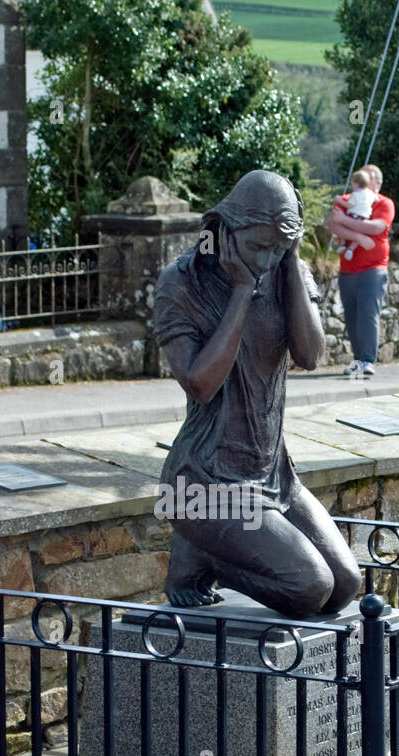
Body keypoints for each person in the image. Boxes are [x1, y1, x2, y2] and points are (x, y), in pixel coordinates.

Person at [153, 170, 362, 620]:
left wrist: (288, 264)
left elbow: (309, 355)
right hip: (203, 486)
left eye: (278, 247)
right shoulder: (182, 283)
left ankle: (211, 553)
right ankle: (206, 555)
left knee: (346, 585)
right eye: (257, 246)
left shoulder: (285, 270)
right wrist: (242, 291)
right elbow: (200, 383)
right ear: (223, 231)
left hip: (273, 478)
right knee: (309, 587)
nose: (266, 259)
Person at [327, 163, 395, 377]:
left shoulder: (385, 203)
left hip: (373, 269)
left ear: (378, 183)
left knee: (368, 313)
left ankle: (367, 360)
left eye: (370, 175)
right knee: (352, 315)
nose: (365, 177)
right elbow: (333, 225)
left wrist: (346, 223)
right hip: (348, 269)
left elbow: (376, 227)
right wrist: (358, 237)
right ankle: (358, 360)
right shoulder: (349, 198)